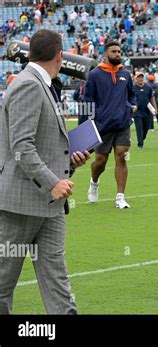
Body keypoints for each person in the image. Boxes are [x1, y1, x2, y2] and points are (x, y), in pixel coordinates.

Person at [0, 29, 90, 314]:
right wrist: (52, 182)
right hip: (20, 205)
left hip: (50, 207)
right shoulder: (28, 84)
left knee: (58, 283)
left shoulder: (43, 84)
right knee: (3, 283)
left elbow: (41, 144)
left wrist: (70, 162)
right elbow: (22, 147)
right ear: (61, 56)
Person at [84, 41, 137, 209]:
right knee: (100, 161)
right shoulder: (95, 75)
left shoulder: (126, 74)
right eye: (114, 51)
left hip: (122, 123)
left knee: (121, 155)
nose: (118, 54)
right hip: (102, 125)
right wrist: (92, 120)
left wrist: (132, 106)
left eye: (120, 51)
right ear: (106, 53)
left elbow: (131, 95)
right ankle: (94, 182)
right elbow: (88, 99)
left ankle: (120, 197)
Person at [132, 71, 157, 149]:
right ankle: (140, 144)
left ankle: (141, 139)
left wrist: (155, 108)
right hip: (137, 111)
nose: (140, 79)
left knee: (146, 128)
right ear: (135, 78)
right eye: (138, 77)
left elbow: (152, 98)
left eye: (141, 77)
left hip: (146, 111)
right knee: (139, 128)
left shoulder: (148, 87)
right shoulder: (132, 88)